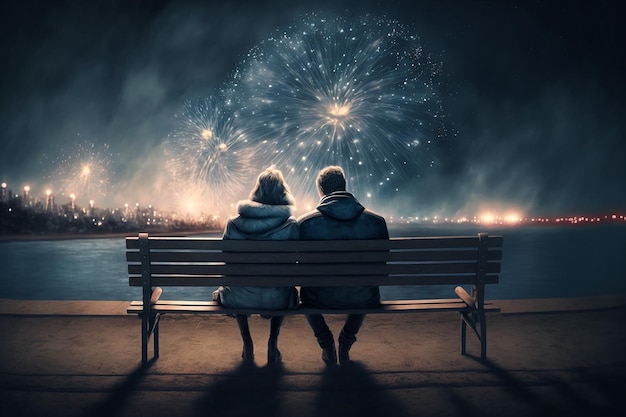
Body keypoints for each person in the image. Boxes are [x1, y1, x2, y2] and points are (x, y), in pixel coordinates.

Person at [297, 165, 389, 365]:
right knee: (365, 285)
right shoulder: (377, 222)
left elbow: (297, 268)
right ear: (344, 186)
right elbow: (381, 265)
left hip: (318, 297)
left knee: (304, 295)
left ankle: (326, 343)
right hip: (364, 296)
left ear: (321, 190)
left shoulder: (305, 223)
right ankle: (346, 342)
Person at [214, 167, 299, 366]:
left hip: (238, 298)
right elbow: (295, 265)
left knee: (238, 285)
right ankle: (273, 341)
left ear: (256, 191)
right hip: (277, 299)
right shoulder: (291, 225)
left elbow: (227, 261)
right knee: (285, 289)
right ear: (282, 192)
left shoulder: (233, 223)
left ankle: (247, 343)